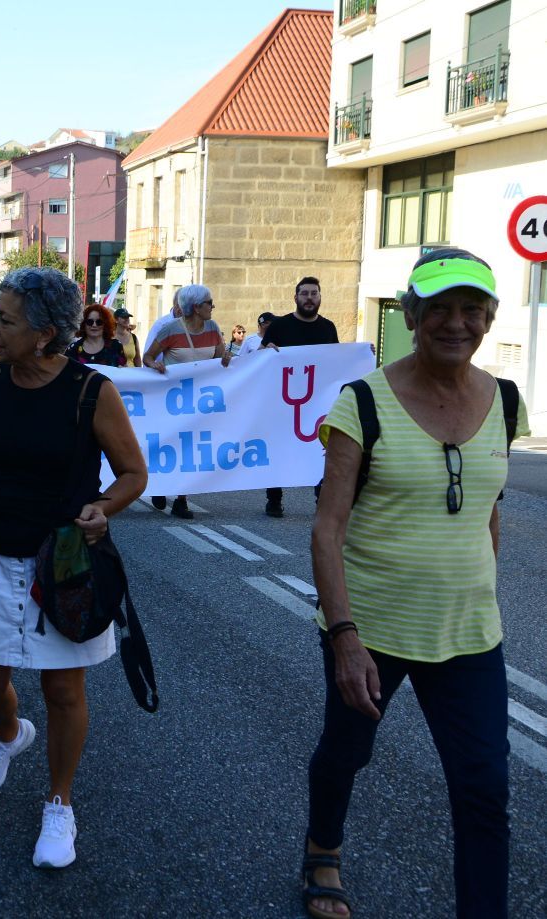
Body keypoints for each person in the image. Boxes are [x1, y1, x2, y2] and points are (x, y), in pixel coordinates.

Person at [301, 249, 528, 919]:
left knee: (485, 784)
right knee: (347, 751)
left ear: (488, 317)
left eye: (470, 310)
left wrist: (477, 594)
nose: (455, 323)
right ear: (412, 314)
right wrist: (344, 638)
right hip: (370, 630)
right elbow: (325, 527)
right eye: (439, 310)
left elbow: (487, 511)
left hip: (468, 636)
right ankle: (322, 850)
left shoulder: (505, 402)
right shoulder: (363, 402)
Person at [0, 266, 148, 869]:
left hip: (64, 564)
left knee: (62, 687)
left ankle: (59, 804)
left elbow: (134, 475)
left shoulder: (92, 392)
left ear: (43, 333)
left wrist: (102, 508)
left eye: (6, 319)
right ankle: (11, 736)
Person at [142, 284, 230, 519]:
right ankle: (159, 485)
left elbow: (221, 356)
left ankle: (182, 500)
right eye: (209, 303)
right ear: (196, 307)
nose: (213, 307)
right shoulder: (170, 330)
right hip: (172, 399)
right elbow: (147, 356)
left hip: (199, 399)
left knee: (191, 448)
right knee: (170, 444)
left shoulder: (213, 328)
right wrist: (155, 364)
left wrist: (229, 359)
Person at [262, 278, 340, 517]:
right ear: (295, 297)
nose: (309, 297)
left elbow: (337, 359)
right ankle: (274, 499)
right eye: (304, 293)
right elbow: (260, 358)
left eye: (314, 293)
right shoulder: (280, 326)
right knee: (280, 448)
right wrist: (265, 352)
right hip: (283, 401)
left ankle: (321, 498)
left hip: (317, 402)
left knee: (319, 450)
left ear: (320, 297)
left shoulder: (328, 327)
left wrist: (360, 355)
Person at [65, 302, 125, 366]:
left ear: (105, 324)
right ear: (83, 324)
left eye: (99, 322)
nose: (94, 325)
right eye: (90, 322)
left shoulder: (116, 346)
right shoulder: (74, 348)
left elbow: (123, 370)